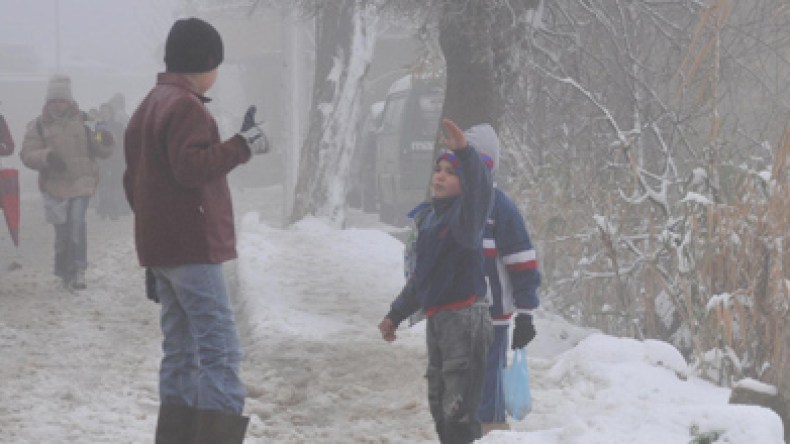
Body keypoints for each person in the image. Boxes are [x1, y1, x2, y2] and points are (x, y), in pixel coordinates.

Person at [123, 17, 268, 444]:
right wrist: (244, 144)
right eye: (216, 64)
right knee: (219, 349)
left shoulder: (149, 103)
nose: (217, 74)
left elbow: (134, 183)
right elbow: (192, 168)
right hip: (192, 247)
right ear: (205, 62)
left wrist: (156, 250)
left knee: (181, 351)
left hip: (164, 250)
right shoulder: (185, 106)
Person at [379, 118, 497, 443]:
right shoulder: (432, 220)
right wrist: (395, 314)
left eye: (451, 171)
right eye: (439, 169)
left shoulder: (466, 220)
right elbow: (422, 278)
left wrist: (466, 153)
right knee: (439, 404)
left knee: (458, 411)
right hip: (439, 322)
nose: (441, 176)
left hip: (465, 322)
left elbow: (481, 190)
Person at [19, 74, 114, 290]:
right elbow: (27, 153)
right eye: (53, 101)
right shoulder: (38, 126)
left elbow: (103, 146)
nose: (57, 105)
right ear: (47, 102)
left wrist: (106, 141)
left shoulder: (87, 119)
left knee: (77, 225)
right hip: (54, 186)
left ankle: (79, 270)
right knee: (62, 232)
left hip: (82, 181)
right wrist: (47, 157)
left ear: (69, 101)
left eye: (61, 100)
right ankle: (64, 270)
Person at [477, 185, 541, 434]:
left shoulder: (499, 207)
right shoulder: (449, 203)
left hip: (491, 316)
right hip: (453, 316)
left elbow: (522, 261)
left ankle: (490, 433)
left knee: (488, 387)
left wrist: (525, 314)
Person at [94, 101, 130, 220]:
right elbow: (97, 142)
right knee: (104, 186)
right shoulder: (99, 127)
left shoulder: (118, 126)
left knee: (115, 186)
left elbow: (123, 142)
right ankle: (104, 209)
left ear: (111, 112)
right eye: (102, 112)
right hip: (103, 160)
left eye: (106, 111)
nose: (105, 114)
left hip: (116, 160)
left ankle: (115, 210)